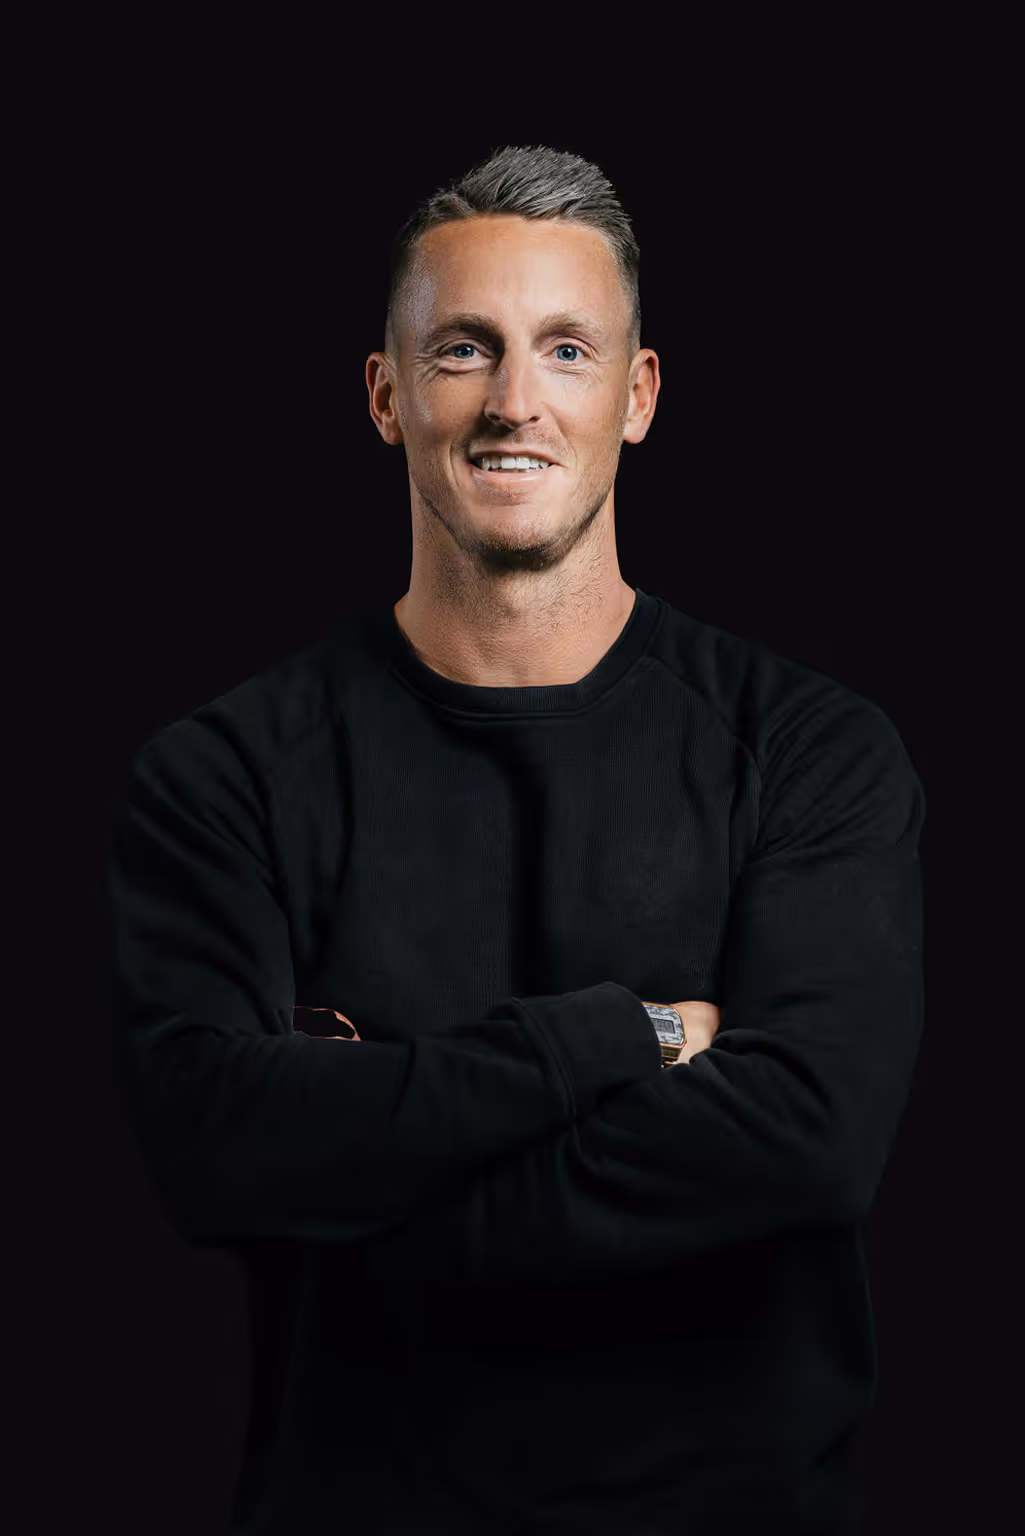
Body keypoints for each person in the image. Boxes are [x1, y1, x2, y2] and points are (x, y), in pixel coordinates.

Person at [106, 146, 925, 1534]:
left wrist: (368, 1162)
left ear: (638, 395)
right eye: (463, 350)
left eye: (564, 349)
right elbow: (217, 1150)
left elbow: (810, 1145)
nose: (512, 403)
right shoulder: (226, 776)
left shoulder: (807, 752)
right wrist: (633, 1039)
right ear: (385, 394)